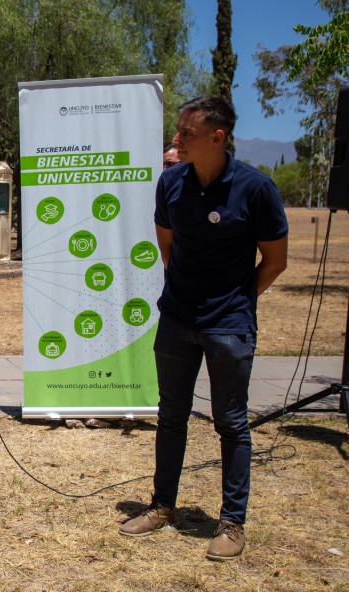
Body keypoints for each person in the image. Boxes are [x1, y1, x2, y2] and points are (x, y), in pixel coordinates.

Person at [119, 97, 288, 561]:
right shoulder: (171, 182)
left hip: (229, 325)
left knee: (230, 422)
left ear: (218, 137)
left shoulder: (256, 188)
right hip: (177, 318)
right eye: (177, 131)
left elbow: (275, 261)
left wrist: (236, 301)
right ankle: (162, 506)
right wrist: (187, 297)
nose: (176, 140)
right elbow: (167, 246)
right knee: (170, 415)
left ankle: (232, 523)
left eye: (186, 134)